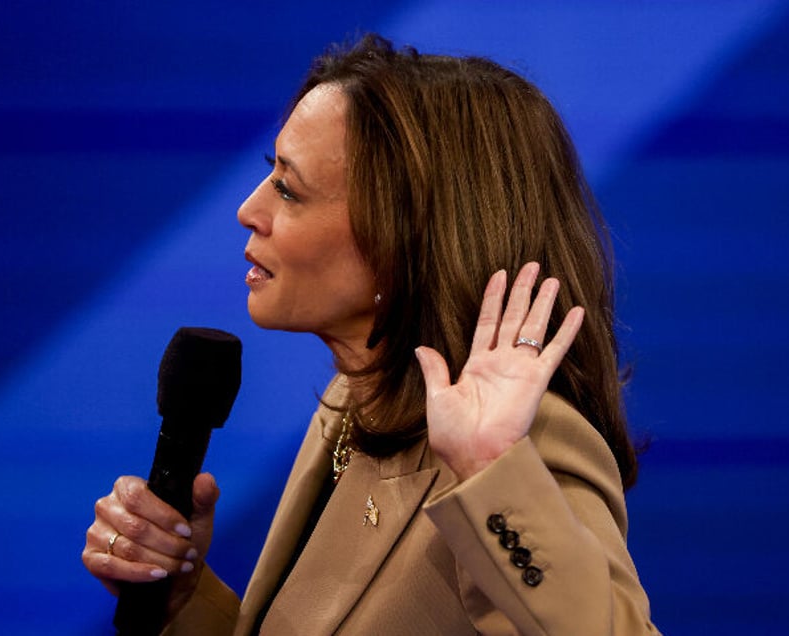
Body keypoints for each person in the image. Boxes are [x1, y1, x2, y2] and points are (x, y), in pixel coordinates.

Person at [83, 34, 660, 634]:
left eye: (288, 188)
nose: (249, 210)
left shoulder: (521, 444)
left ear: (401, 242)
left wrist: (493, 472)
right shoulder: (352, 402)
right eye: (270, 174)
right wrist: (183, 598)